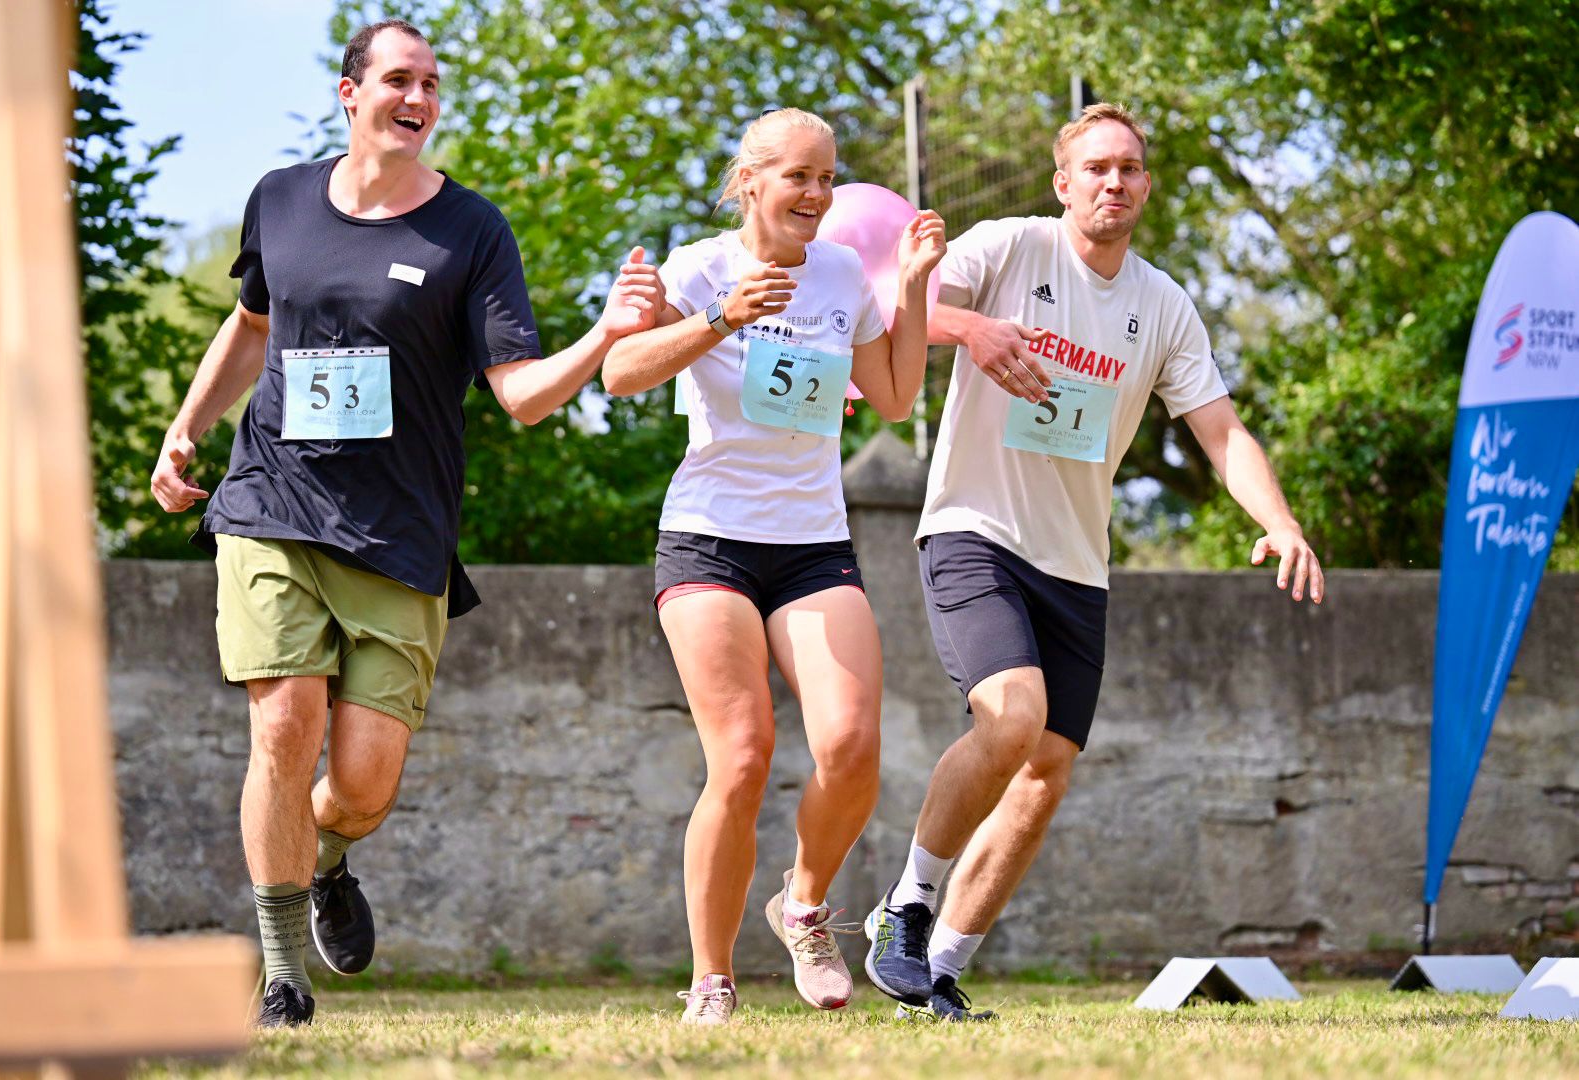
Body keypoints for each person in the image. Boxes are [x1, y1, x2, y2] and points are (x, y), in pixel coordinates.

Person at [148, 18, 662, 1028]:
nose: (418, 95)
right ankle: (283, 976)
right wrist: (186, 427)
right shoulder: (282, 200)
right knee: (284, 725)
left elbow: (518, 394)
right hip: (273, 503)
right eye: (398, 77)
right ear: (352, 94)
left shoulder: (471, 232)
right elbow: (252, 325)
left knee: (364, 787)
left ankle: (328, 860)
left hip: (399, 532)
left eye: (431, 81)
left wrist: (605, 334)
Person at [863, 102, 1326, 1022]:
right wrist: (974, 331)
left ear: (1145, 186)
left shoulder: (1162, 304)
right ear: (1063, 182)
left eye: (1130, 168)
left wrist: (1280, 520)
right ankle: (905, 908)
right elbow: (892, 301)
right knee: (1012, 719)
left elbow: (1219, 430)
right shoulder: (1011, 247)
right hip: (974, 529)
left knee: (1047, 770)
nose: (1115, 181)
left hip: (1077, 562)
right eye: (1097, 167)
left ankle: (940, 970)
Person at [603, 107, 945, 1025]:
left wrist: (909, 290)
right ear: (749, 180)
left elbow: (896, 396)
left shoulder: (840, 273)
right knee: (745, 756)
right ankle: (711, 978)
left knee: (851, 747)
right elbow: (621, 373)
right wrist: (720, 317)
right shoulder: (699, 266)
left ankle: (801, 903)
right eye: (799, 176)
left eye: (829, 179)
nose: (818, 195)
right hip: (709, 537)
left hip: (812, 543)